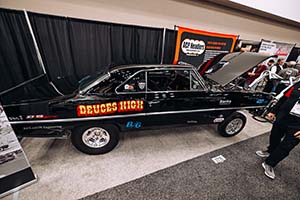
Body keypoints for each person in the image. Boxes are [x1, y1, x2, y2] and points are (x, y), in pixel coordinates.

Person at [256, 80, 300, 179]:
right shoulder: (298, 84)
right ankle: (270, 151)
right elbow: (284, 98)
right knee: (274, 136)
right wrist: (273, 111)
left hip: (297, 126)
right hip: (283, 117)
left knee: (286, 146)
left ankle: (270, 163)